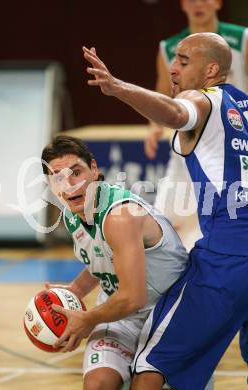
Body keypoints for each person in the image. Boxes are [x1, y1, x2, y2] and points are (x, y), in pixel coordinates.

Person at [83, 32, 248, 389]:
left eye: (184, 61)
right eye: (173, 59)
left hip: (230, 255)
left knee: (151, 361)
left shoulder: (202, 99)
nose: (173, 69)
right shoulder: (244, 106)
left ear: (212, 70)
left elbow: (175, 113)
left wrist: (118, 88)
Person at [41, 135, 190, 390]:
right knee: (98, 385)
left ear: (95, 169)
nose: (69, 184)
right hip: (122, 315)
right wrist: (76, 291)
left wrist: (87, 319)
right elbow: (103, 258)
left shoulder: (120, 216)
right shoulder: (72, 215)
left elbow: (134, 297)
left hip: (169, 314)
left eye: (76, 172)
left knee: (144, 386)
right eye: (58, 177)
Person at [145, 0, 248, 251]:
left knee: (226, 226)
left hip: (231, 145)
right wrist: (153, 126)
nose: (198, 4)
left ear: (218, 2)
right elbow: (162, 95)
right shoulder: (168, 48)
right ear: (182, 4)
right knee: (161, 227)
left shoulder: (242, 38)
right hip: (188, 144)